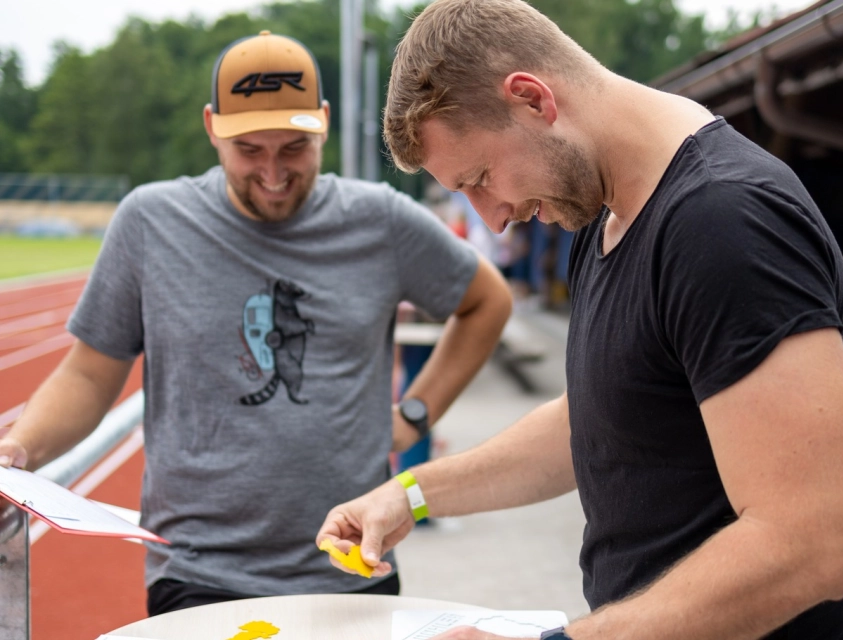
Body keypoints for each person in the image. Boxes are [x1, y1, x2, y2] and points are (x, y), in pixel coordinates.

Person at [317, 2, 843, 639]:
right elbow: (596, 419)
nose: (494, 219)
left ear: (532, 99)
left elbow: (812, 545)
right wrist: (410, 493)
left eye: (481, 178)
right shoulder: (600, 213)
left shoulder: (726, 222)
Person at [0, 31, 512, 616]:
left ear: (323, 123)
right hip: (198, 570)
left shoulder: (380, 221)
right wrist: (19, 448)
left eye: (294, 147)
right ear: (212, 127)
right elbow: (90, 373)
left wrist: (415, 413)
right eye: (250, 149)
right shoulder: (151, 223)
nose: (273, 171)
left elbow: (485, 302)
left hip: (351, 566)